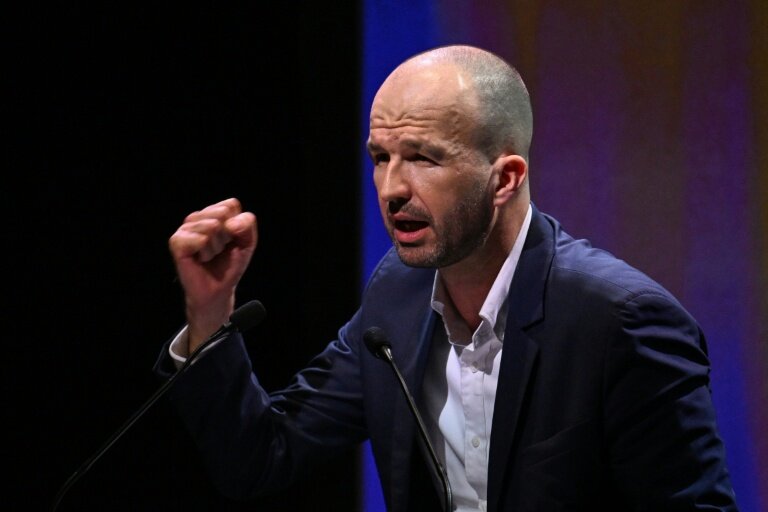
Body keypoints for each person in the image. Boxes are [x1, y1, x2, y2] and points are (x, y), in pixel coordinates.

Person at [154, 45, 739, 511]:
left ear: (505, 178)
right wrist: (209, 312)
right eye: (381, 158)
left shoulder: (621, 321)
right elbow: (261, 458)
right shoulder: (396, 298)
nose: (391, 190)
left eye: (424, 158)